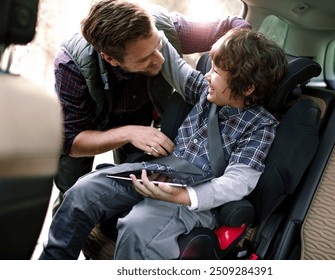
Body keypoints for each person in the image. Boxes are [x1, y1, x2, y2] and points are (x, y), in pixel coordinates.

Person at [39, 27, 288, 260]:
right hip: (159, 172)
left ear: (246, 87)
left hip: (194, 195)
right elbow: (174, 65)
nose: (207, 75)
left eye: (216, 72)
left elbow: (238, 182)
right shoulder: (205, 91)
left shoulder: (260, 126)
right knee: (83, 191)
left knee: (137, 229)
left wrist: (184, 195)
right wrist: (146, 25)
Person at [53, 0, 251, 212]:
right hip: (87, 127)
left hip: (140, 113)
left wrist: (248, 76)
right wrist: (129, 133)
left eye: (158, 46)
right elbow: (72, 142)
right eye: (145, 58)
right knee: (72, 193)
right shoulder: (71, 66)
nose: (160, 59)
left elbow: (235, 26)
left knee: (130, 186)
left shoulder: (166, 27)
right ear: (110, 58)